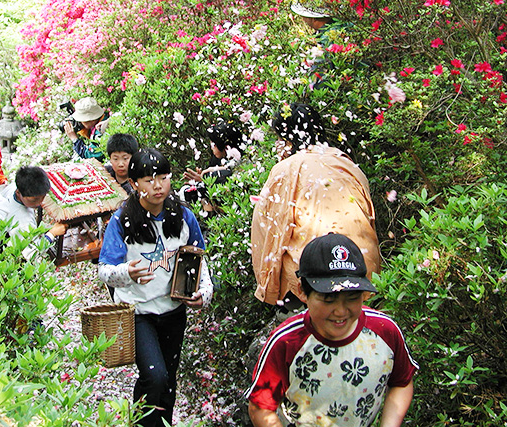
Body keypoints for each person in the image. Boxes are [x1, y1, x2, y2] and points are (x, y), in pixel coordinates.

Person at [246, 233, 418, 427]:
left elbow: (401, 381)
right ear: (302, 292)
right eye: (328, 299)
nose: (340, 311)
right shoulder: (287, 342)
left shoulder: (384, 331)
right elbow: (261, 407)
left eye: (352, 298)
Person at [98, 148, 214, 427]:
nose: (158, 185)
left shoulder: (182, 216)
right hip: (137, 313)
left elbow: (199, 258)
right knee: (155, 375)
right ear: (135, 183)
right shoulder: (122, 219)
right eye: (149, 180)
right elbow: (105, 270)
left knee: (169, 379)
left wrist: (204, 293)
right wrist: (127, 272)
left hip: (173, 310)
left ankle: (163, 423)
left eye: (163, 177)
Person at [251, 103, 380, 312]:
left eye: (279, 139)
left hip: (312, 281)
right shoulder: (346, 163)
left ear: (288, 139)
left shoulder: (285, 169)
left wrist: (269, 287)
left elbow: (271, 232)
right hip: (360, 274)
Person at [0, 166, 68, 260]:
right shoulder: (23, 222)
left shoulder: (14, 187)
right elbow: (31, 253)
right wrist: (52, 234)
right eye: (34, 200)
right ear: (18, 193)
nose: (39, 203)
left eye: (43, 197)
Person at [180, 121, 245, 205]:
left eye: (214, 145)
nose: (212, 148)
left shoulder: (242, 165)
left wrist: (207, 179)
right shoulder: (220, 161)